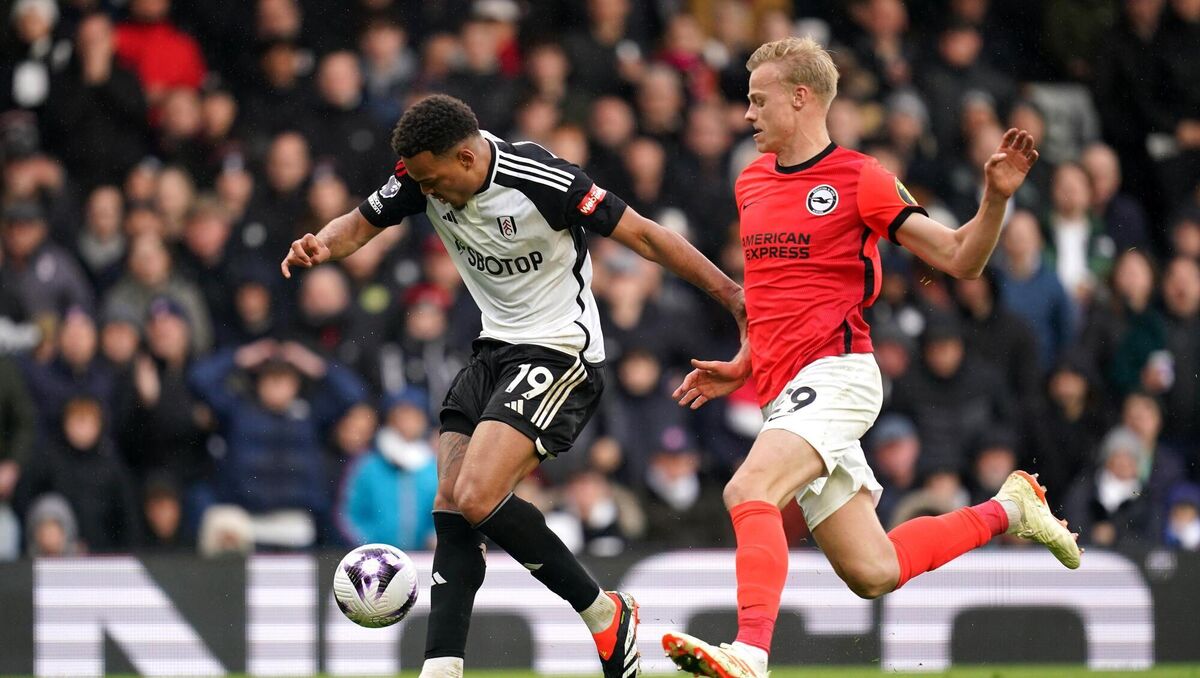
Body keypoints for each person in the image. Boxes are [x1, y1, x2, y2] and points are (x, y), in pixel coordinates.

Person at [280, 94, 746, 678]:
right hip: (492, 350)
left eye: (433, 181)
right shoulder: (417, 176)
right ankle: (442, 667)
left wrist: (732, 296)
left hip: (560, 351)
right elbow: (359, 224)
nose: (425, 193)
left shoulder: (541, 178)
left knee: (476, 494)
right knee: (450, 504)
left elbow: (647, 237)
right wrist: (322, 242)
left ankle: (604, 615)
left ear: (468, 159)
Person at [659, 37, 1081, 678]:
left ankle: (749, 653)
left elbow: (961, 260)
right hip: (784, 391)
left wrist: (994, 198)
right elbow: (774, 296)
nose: (746, 115)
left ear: (801, 98)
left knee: (748, 487)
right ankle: (1011, 508)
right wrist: (746, 361)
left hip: (838, 376)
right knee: (873, 570)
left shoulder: (861, 179)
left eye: (756, 99)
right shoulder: (750, 183)